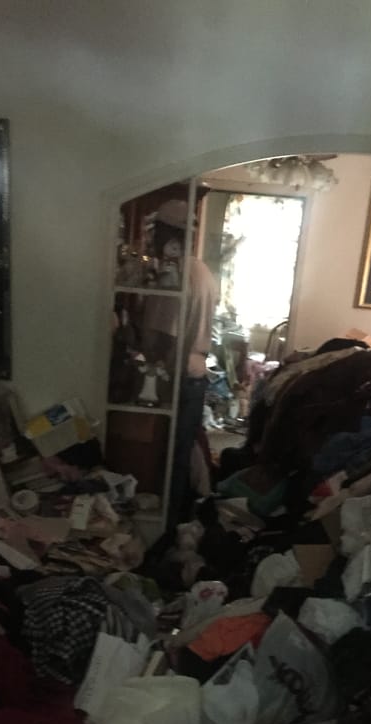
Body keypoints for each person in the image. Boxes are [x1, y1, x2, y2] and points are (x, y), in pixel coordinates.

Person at [141, 199, 218, 528]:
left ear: (169, 233)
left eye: (156, 232)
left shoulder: (173, 275)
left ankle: (165, 528)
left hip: (176, 377)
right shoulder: (202, 270)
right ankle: (179, 522)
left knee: (168, 457)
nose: (153, 240)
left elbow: (165, 336)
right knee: (182, 451)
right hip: (197, 372)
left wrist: (142, 348)